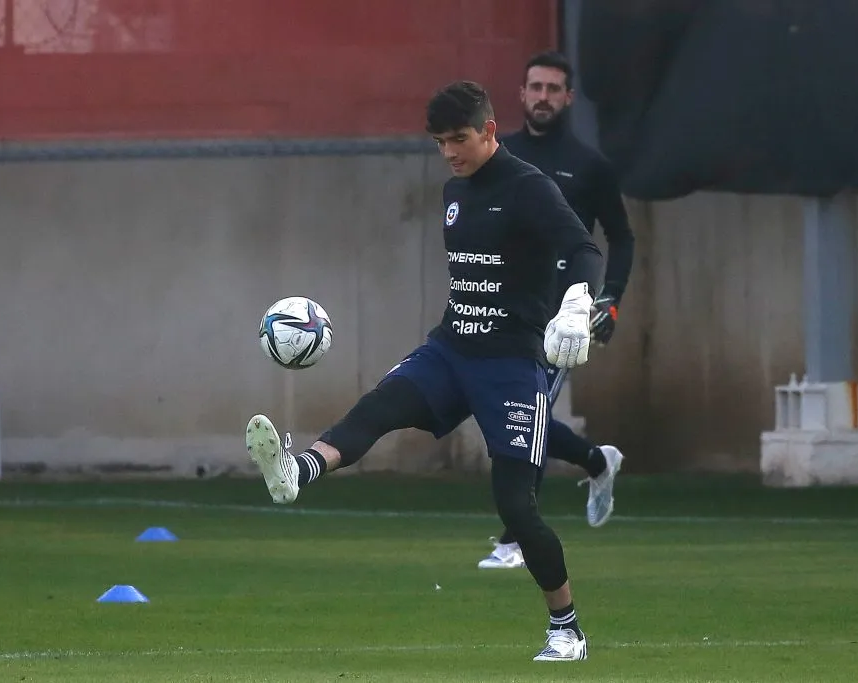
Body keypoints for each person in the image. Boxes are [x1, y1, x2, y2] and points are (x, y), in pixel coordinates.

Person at [246, 80, 614, 661]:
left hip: (510, 365)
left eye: (459, 138)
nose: (449, 152)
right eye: (440, 142)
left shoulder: (529, 187)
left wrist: (575, 304)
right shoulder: (454, 191)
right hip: (451, 350)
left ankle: (566, 627)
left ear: (490, 130)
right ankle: (298, 471)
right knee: (379, 407)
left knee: (517, 508)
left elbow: (585, 251)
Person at [477, 50, 636, 571]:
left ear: (567, 98)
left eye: (553, 89)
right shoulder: (499, 156)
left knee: (527, 414)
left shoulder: (590, 166)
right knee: (519, 413)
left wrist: (608, 298)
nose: (543, 97)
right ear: (521, 95)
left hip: (565, 310)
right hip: (503, 306)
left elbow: (621, 235)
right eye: (535, 87)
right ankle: (596, 461)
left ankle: (516, 537)